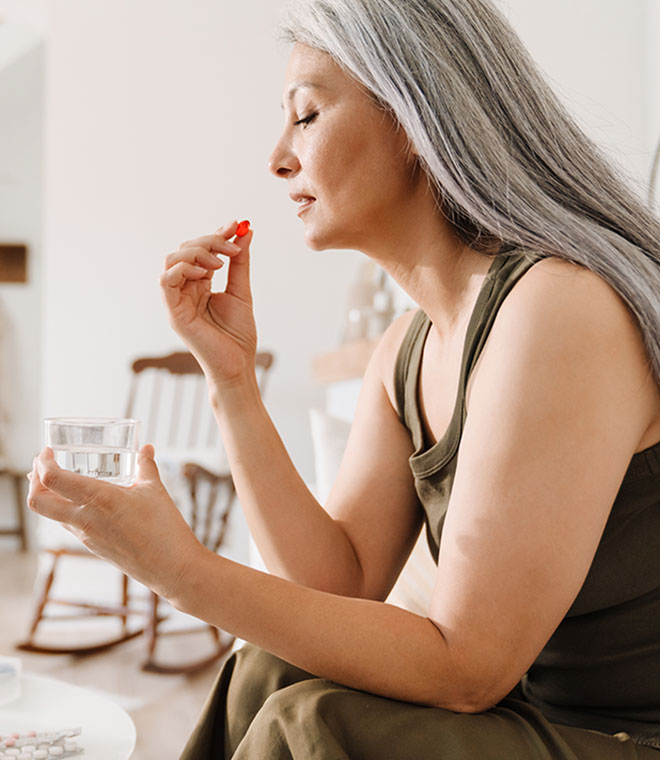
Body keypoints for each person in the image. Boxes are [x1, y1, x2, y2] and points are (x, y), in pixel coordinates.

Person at [28, 0, 660, 757]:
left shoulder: (557, 308)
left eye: (307, 116)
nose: (277, 159)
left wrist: (179, 569)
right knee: (272, 667)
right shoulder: (408, 347)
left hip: (620, 737)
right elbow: (338, 589)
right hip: (534, 720)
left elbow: (469, 669)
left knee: (313, 722)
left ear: (416, 119)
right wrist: (231, 377)